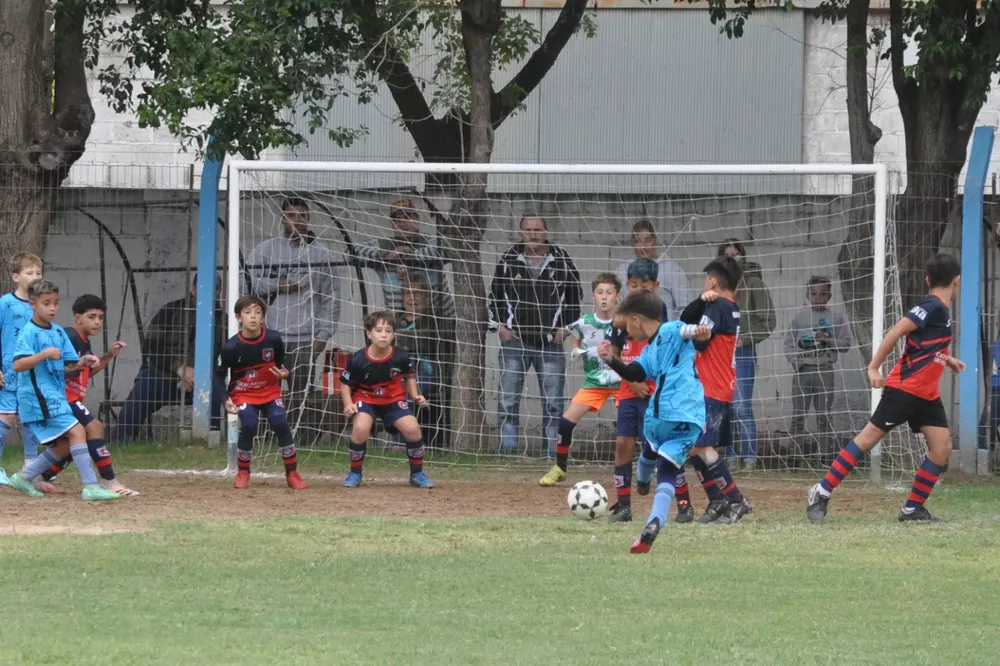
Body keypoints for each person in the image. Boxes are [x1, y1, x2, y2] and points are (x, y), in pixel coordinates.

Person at [807, 254, 965, 523]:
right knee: (867, 440)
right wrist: (873, 367)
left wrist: (945, 358)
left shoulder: (940, 309)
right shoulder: (932, 306)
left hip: (927, 395)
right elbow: (896, 331)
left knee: (942, 447)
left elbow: (924, 342)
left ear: (928, 279)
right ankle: (821, 492)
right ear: (957, 282)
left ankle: (912, 509)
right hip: (904, 390)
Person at [597, 290, 711, 553]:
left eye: (626, 324)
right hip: (692, 416)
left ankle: (643, 478)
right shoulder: (649, 351)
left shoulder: (671, 329)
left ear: (636, 319)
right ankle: (653, 523)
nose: (626, 331)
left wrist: (699, 330)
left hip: (663, 412)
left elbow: (687, 329)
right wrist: (612, 360)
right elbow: (635, 372)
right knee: (669, 471)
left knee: (651, 443)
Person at [6, 280, 119, 501]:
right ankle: (91, 486)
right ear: (32, 304)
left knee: (66, 443)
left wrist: (82, 361)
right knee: (79, 432)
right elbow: (18, 365)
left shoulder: (58, 332)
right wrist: (44, 355)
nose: (52, 308)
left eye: (55, 303)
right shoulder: (28, 332)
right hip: (38, 397)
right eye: (46, 303)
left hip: (55, 396)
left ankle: (23, 477)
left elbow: (69, 365)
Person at [488, 215, 582, 454]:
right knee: (507, 400)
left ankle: (551, 454)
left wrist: (565, 328)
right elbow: (495, 295)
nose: (533, 234)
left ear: (546, 232)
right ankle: (507, 452)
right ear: (521, 232)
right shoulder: (509, 258)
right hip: (515, 342)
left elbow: (575, 298)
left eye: (538, 229)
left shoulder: (561, 259)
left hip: (550, 343)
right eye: (528, 229)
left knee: (553, 404)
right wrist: (499, 326)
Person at [248, 197, 341, 436]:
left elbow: (331, 297)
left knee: (303, 396)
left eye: (302, 216)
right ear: (282, 219)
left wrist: (323, 335)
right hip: (272, 335)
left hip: (306, 338)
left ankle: (305, 440)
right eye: (291, 215)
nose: (297, 221)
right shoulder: (265, 250)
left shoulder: (322, 254)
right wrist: (276, 285)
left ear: (309, 219)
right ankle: (268, 438)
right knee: (268, 392)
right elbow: (246, 283)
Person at [675, 256, 753, 524]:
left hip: (711, 387)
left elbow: (698, 340)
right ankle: (717, 500)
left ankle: (736, 500)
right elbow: (690, 318)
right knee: (695, 447)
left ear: (712, 281)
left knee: (703, 448)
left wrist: (683, 335)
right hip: (717, 385)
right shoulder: (729, 306)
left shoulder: (717, 306)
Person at [39, 295, 138, 496]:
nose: (97, 322)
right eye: (92, 316)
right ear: (78, 318)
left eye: (100, 317)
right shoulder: (70, 337)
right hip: (63, 398)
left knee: (70, 444)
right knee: (95, 427)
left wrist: (109, 355)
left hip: (69, 398)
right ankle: (110, 481)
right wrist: (77, 365)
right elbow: (55, 368)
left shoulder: (83, 341)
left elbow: (87, 371)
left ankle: (37, 477)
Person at [113, 274, 226, 442]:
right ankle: (120, 443)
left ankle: (211, 444)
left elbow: (227, 357)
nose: (210, 293)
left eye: (215, 289)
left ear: (219, 292)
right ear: (193, 289)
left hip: (203, 381)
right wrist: (179, 368)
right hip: (165, 376)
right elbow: (151, 348)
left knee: (217, 393)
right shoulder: (170, 311)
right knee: (143, 387)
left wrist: (202, 375)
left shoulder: (223, 321)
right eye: (204, 288)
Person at [539, 272, 621, 492]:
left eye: (609, 293)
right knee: (565, 422)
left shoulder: (624, 321)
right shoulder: (585, 321)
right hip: (594, 382)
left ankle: (637, 469)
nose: (604, 297)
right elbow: (573, 331)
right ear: (593, 296)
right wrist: (576, 348)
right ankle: (559, 468)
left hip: (622, 382)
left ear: (618, 297)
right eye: (600, 293)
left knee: (632, 427)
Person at [339, 311, 434, 489]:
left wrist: (415, 395)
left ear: (394, 334)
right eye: (379, 330)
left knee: (412, 427)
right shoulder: (359, 358)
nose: (384, 335)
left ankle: (417, 473)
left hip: (393, 399)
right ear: (369, 334)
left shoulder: (401, 356)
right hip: (366, 398)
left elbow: (409, 376)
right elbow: (345, 384)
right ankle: (355, 473)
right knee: (361, 427)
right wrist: (348, 403)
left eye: (388, 331)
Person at [221, 295, 307, 490]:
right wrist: (224, 399)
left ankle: (292, 472)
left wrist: (285, 373)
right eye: (248, 312)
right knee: (250, 424)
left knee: (280, 422)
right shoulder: (231, 347)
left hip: (269, 391)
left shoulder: (274, 338)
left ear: (263, 317)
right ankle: (243, 471)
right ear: (238, 317)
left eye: (258, 312)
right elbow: (218, 375)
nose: (253, 317)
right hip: (243, 393)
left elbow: (280, 365)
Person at [719, 240, 775, 469]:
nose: (732, 258)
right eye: (727, 255)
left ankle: (750, 457)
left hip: (742, 353)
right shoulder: (718, 286)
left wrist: (747, 339)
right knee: (726, 407)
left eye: (736, 254)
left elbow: (769, 321)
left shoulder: (753, 284)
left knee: (742, 406)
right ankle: (730, 456)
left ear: (743, 257)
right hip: (720, 355)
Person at [784, 276, 852, 460]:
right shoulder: (800, 318)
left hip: (824, 370)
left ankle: (824, 456)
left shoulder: (836, 318)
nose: (818, 297)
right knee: (798, 415)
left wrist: (827, 340)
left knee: (823, 415)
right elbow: (789, 343)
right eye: (813, 294)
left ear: (829, 296)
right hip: (803, 371)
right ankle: (794, 457)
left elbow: (846, 344)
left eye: (822, 294)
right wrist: (792, 359)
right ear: (807, 295)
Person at [357, 198, 456, 319]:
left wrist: (409, 258)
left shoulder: (430, 240)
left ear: (417, 219)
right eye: (396, 219)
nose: (402, 223)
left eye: (406, 217)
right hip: (399, 327)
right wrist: (386, 254)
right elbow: (352, 250)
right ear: (392, 224)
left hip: (441, 325)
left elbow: (449, 247)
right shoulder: (384, 245)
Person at [0, 253, 44, 489]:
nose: (35, 277)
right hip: (8, 373)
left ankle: (31, 465)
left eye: (38, 273)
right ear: (16, 276)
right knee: (5, 417)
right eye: (29, 272)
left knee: (31, 417)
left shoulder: (40, 304)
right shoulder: (4, 304)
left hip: (33, 374)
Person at [395, 274, 454, 449]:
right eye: (407, 293)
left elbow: (431, 340)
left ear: (426, 297)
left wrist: (404, 341)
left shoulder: (436, 319)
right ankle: (400, 441)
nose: (412, 298)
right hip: (397, 373)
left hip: (427, 372)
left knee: (408, 389)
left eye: (417, 293)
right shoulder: (395, 320)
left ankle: (403, 442)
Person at [615, 220, 689, 321]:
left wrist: (672, 331)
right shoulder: (622, 271)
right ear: (632, 244)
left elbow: (684, 308)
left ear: (655, 241)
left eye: (648, 240)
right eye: (638, 241)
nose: (643, 246)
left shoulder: (673, 270)